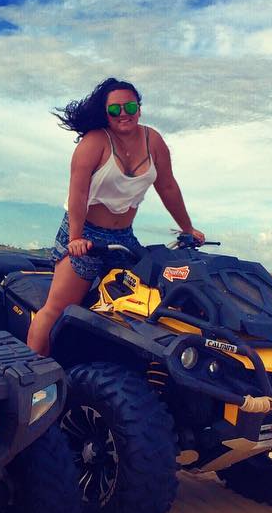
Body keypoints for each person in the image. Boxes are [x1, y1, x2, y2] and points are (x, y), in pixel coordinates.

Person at [26, 77, 205, 356]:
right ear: (105, 113)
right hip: (85, 232)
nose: (123, 114)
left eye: (130, 107)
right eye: (114, 109)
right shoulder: (94, 142)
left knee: (138, 306)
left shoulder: (154, 141)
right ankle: (33, 371)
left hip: (123, 237)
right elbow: (78, 194)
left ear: (139, 109)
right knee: (57, 307)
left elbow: (168, 186)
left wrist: (187, 228)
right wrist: (75, 238)